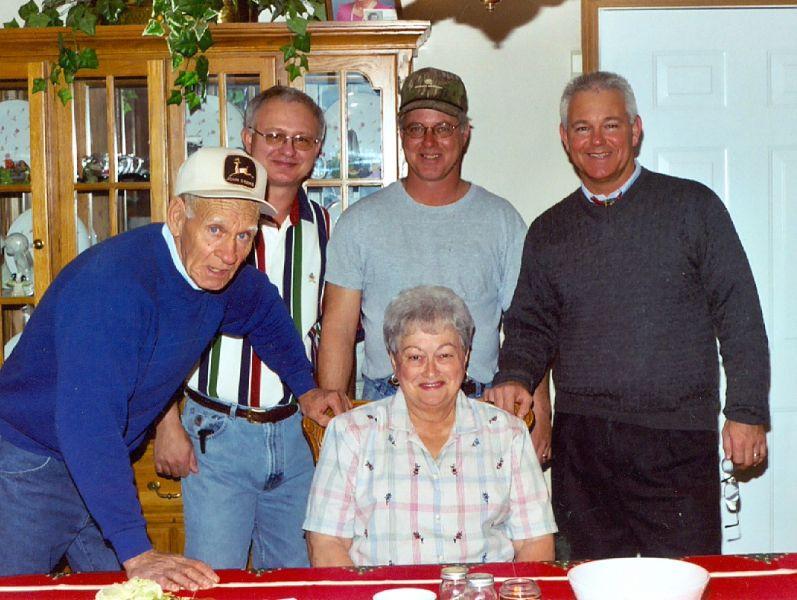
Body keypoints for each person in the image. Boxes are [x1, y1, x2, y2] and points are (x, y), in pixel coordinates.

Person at [0, 146, 340, 591]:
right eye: (215, 230)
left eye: (244, 235)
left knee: (136, 594)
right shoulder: (115, 287)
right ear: (178, 217)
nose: (229, 253)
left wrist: (306, 389)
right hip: (28, 464)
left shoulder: (217, 277)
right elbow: (88, 424)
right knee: (18, 592)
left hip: (98, 461)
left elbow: (263, 312)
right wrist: (137, 552)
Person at [491, 71, 770, 560]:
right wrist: (515, 374)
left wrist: (746, 412)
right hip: (583, 444)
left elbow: (739, 313)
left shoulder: (694, 208)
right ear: (565, 137)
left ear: (636, 130)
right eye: (583, 128)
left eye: (611, 125)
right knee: (591, 582)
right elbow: (531, 325)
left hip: (678, 439)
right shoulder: (549, 230)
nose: (597, 141)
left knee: (681, 583)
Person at [317, 67, 551, 460]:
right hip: (384, 406)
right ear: (401, 135)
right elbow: (338, 330)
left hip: (479, 407)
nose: (429, 142)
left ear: (465, 134)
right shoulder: (359, 222)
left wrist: (541, 411)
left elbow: (528, 325)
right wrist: (332, 422)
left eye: (443, 128)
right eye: (416, 128)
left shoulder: (502, 220)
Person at [152, 87, 342, 570]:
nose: (288, 150)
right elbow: (160, 331)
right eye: (274, 135)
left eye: (302, 139)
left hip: (295, 434)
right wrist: (166, 423)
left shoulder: (327, 228)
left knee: (297, 582)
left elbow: (331, 332)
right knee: (215, 580)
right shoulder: (204, 224)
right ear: (247, 139)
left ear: (318, 150)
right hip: (216, 433)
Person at [304, 286, 556, 566]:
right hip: (382, 590)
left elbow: (535, 542)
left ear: (466, 357)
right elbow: (326, 543)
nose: (431, 370)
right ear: (394, 361)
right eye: (415, 357)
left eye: (445, 355)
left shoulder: (508, 434)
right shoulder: (350, 433)